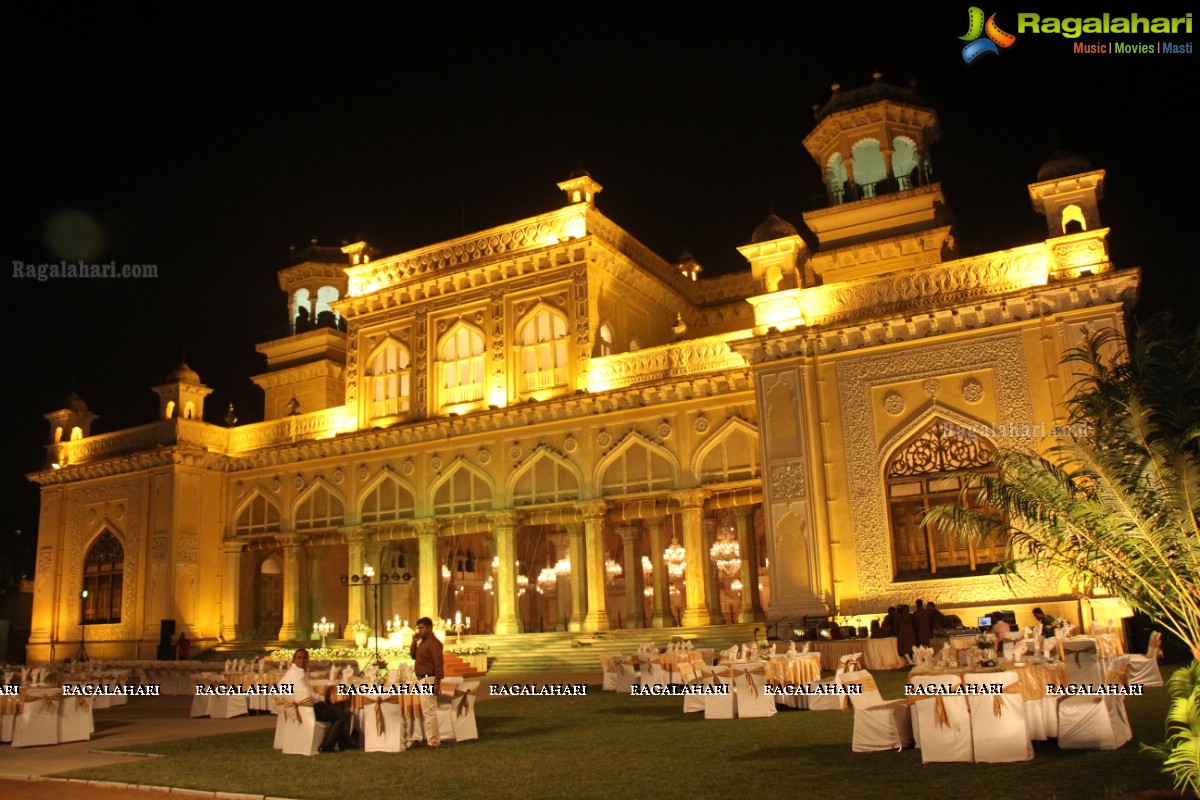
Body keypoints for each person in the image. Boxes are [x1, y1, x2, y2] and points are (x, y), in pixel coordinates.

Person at [278, 648, 355, 753]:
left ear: (308, 660)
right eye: (299, 658)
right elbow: (307, 694)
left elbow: (279, 688)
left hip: (299, 709)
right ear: (294, 660)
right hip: (309, 709)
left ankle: (346, 743)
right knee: (342, 715)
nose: (302, 660)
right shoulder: (298, 674)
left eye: (305, 658)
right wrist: (322, 698)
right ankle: (327, 746)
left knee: (338, 711)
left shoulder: (291, 673)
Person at [410, 616, 444, 749]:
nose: (420, 630)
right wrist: (413, 642)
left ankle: (433, 741)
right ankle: (432, 739)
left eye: (422, 628)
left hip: (428, 679)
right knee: (426, 710)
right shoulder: (422, 643)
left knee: (429, 711)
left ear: (429, 628)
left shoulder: (434, 643)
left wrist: (437, 682)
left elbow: (438, 663)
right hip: (421, 679)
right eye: (418, 628)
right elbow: (413, 656)